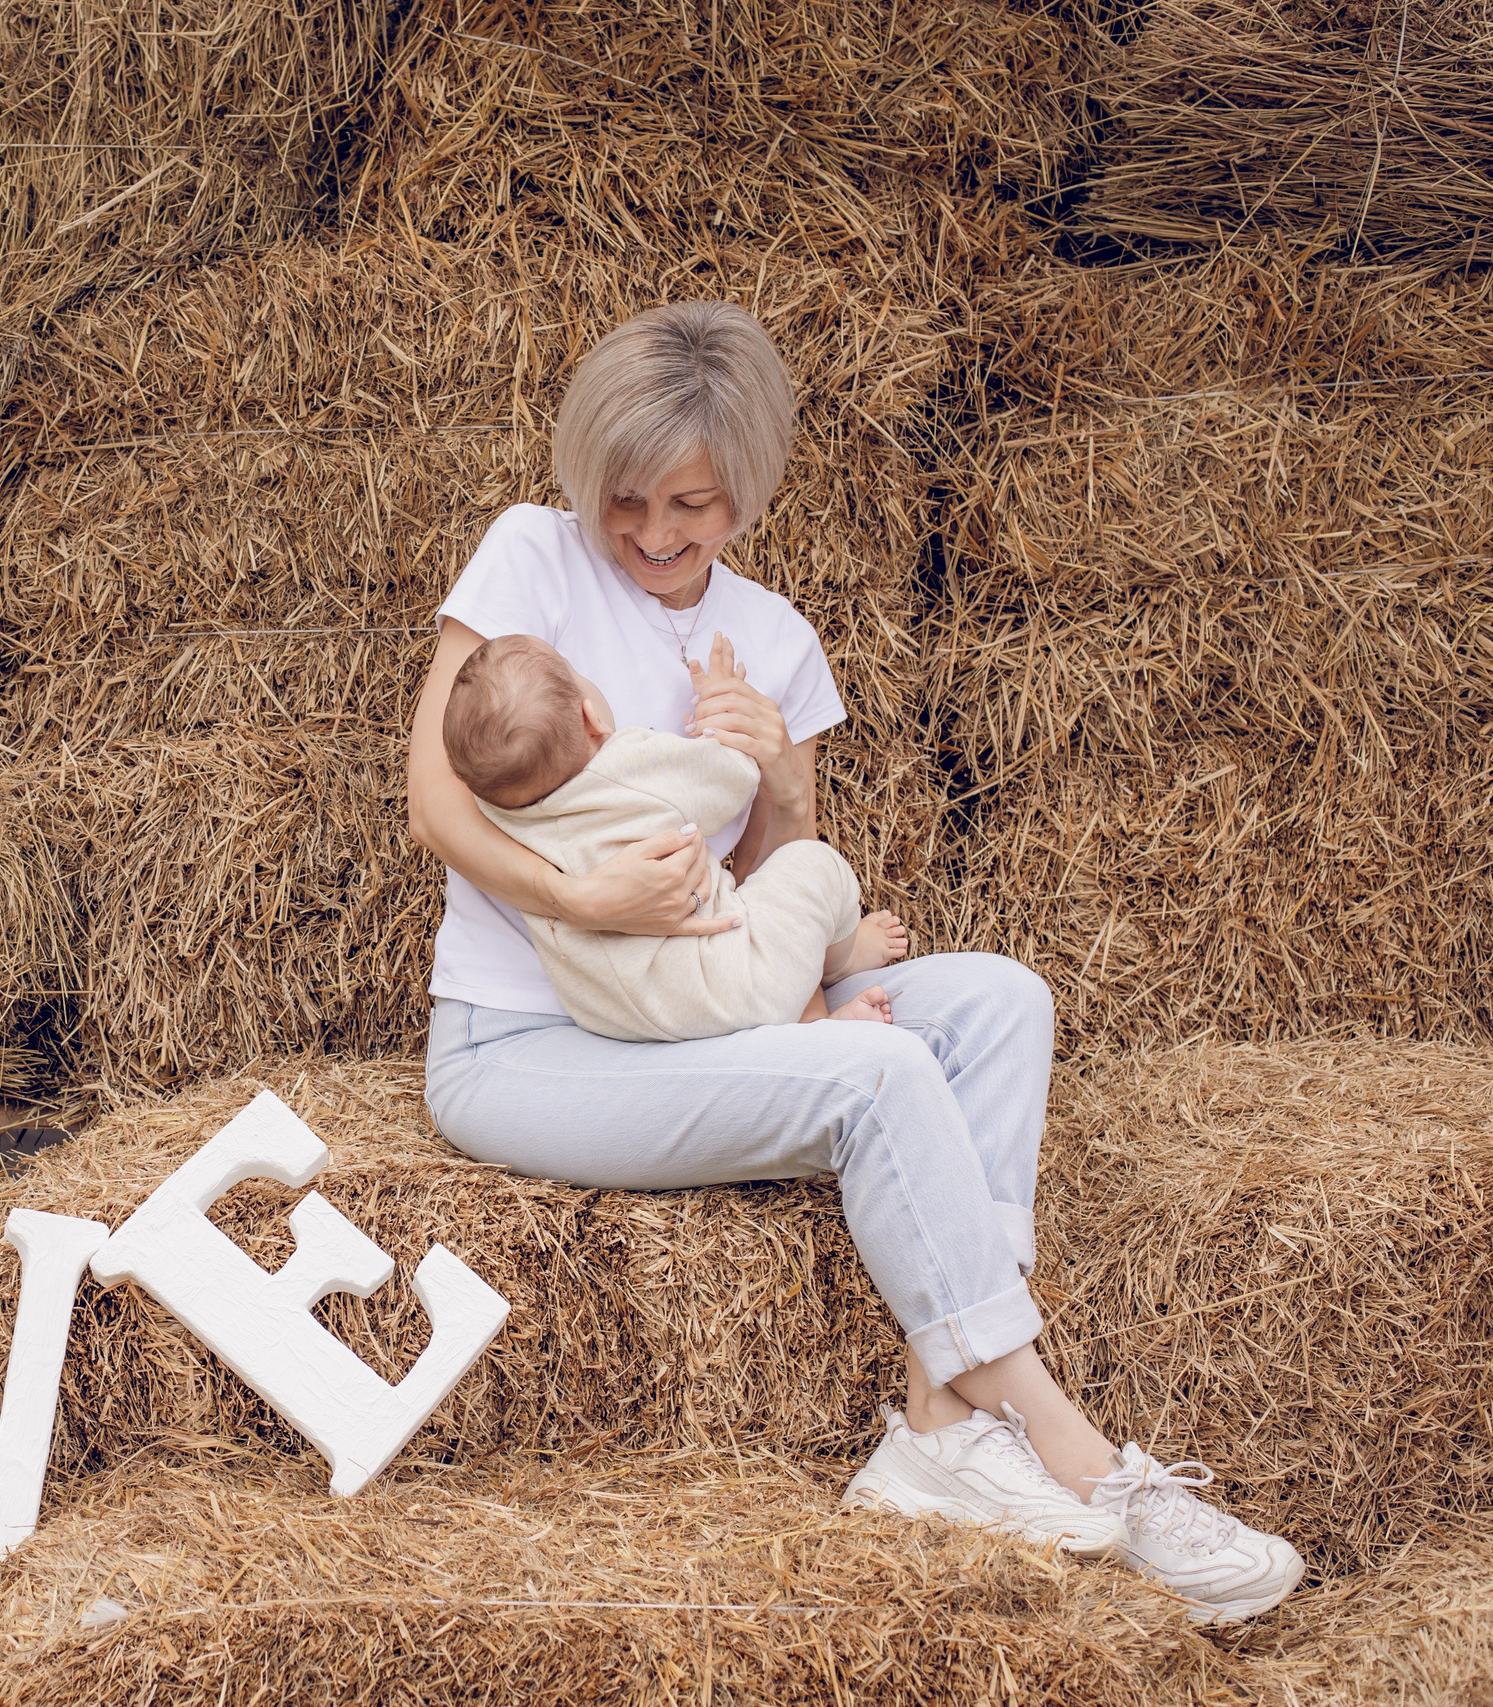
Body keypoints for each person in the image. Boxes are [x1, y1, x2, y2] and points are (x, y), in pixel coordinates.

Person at [408, 301, 1305, 1624]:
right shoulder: (528, 558)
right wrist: (585, 894)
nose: (657, 533)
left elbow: (785, 876)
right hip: (524, 1041)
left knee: (1002, 999)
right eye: (629, 500)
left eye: (694, 504)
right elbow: (435, 801)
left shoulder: (774, 636)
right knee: (877, 1071)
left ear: (749, 492)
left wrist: (773, 771)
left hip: (700, 1009)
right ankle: (1086, 1461)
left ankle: (942, 1420)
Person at [440, 630, 901, 1038]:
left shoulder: (496, 810)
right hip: (717, 980)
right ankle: (839, 965)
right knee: (811, 865)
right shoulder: (626, 767)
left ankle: (814, 1029)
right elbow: (732, 778)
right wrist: (720, 708)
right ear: (592, 717)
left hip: (612, 1014)